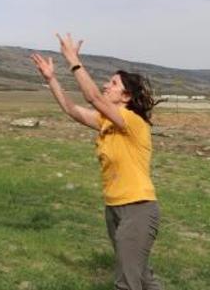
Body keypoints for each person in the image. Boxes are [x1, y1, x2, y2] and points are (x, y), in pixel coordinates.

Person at [31, 33, 163, 290]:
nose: (106, 85)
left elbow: (93, 98)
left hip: (138, 208)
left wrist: (73, 61)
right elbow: (72, 110)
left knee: (127, 282)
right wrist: (52, 80)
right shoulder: (106, 123)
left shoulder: (133, 122)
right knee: (141, 277)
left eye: (113, 83)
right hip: (113, 209)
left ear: (126, 96)